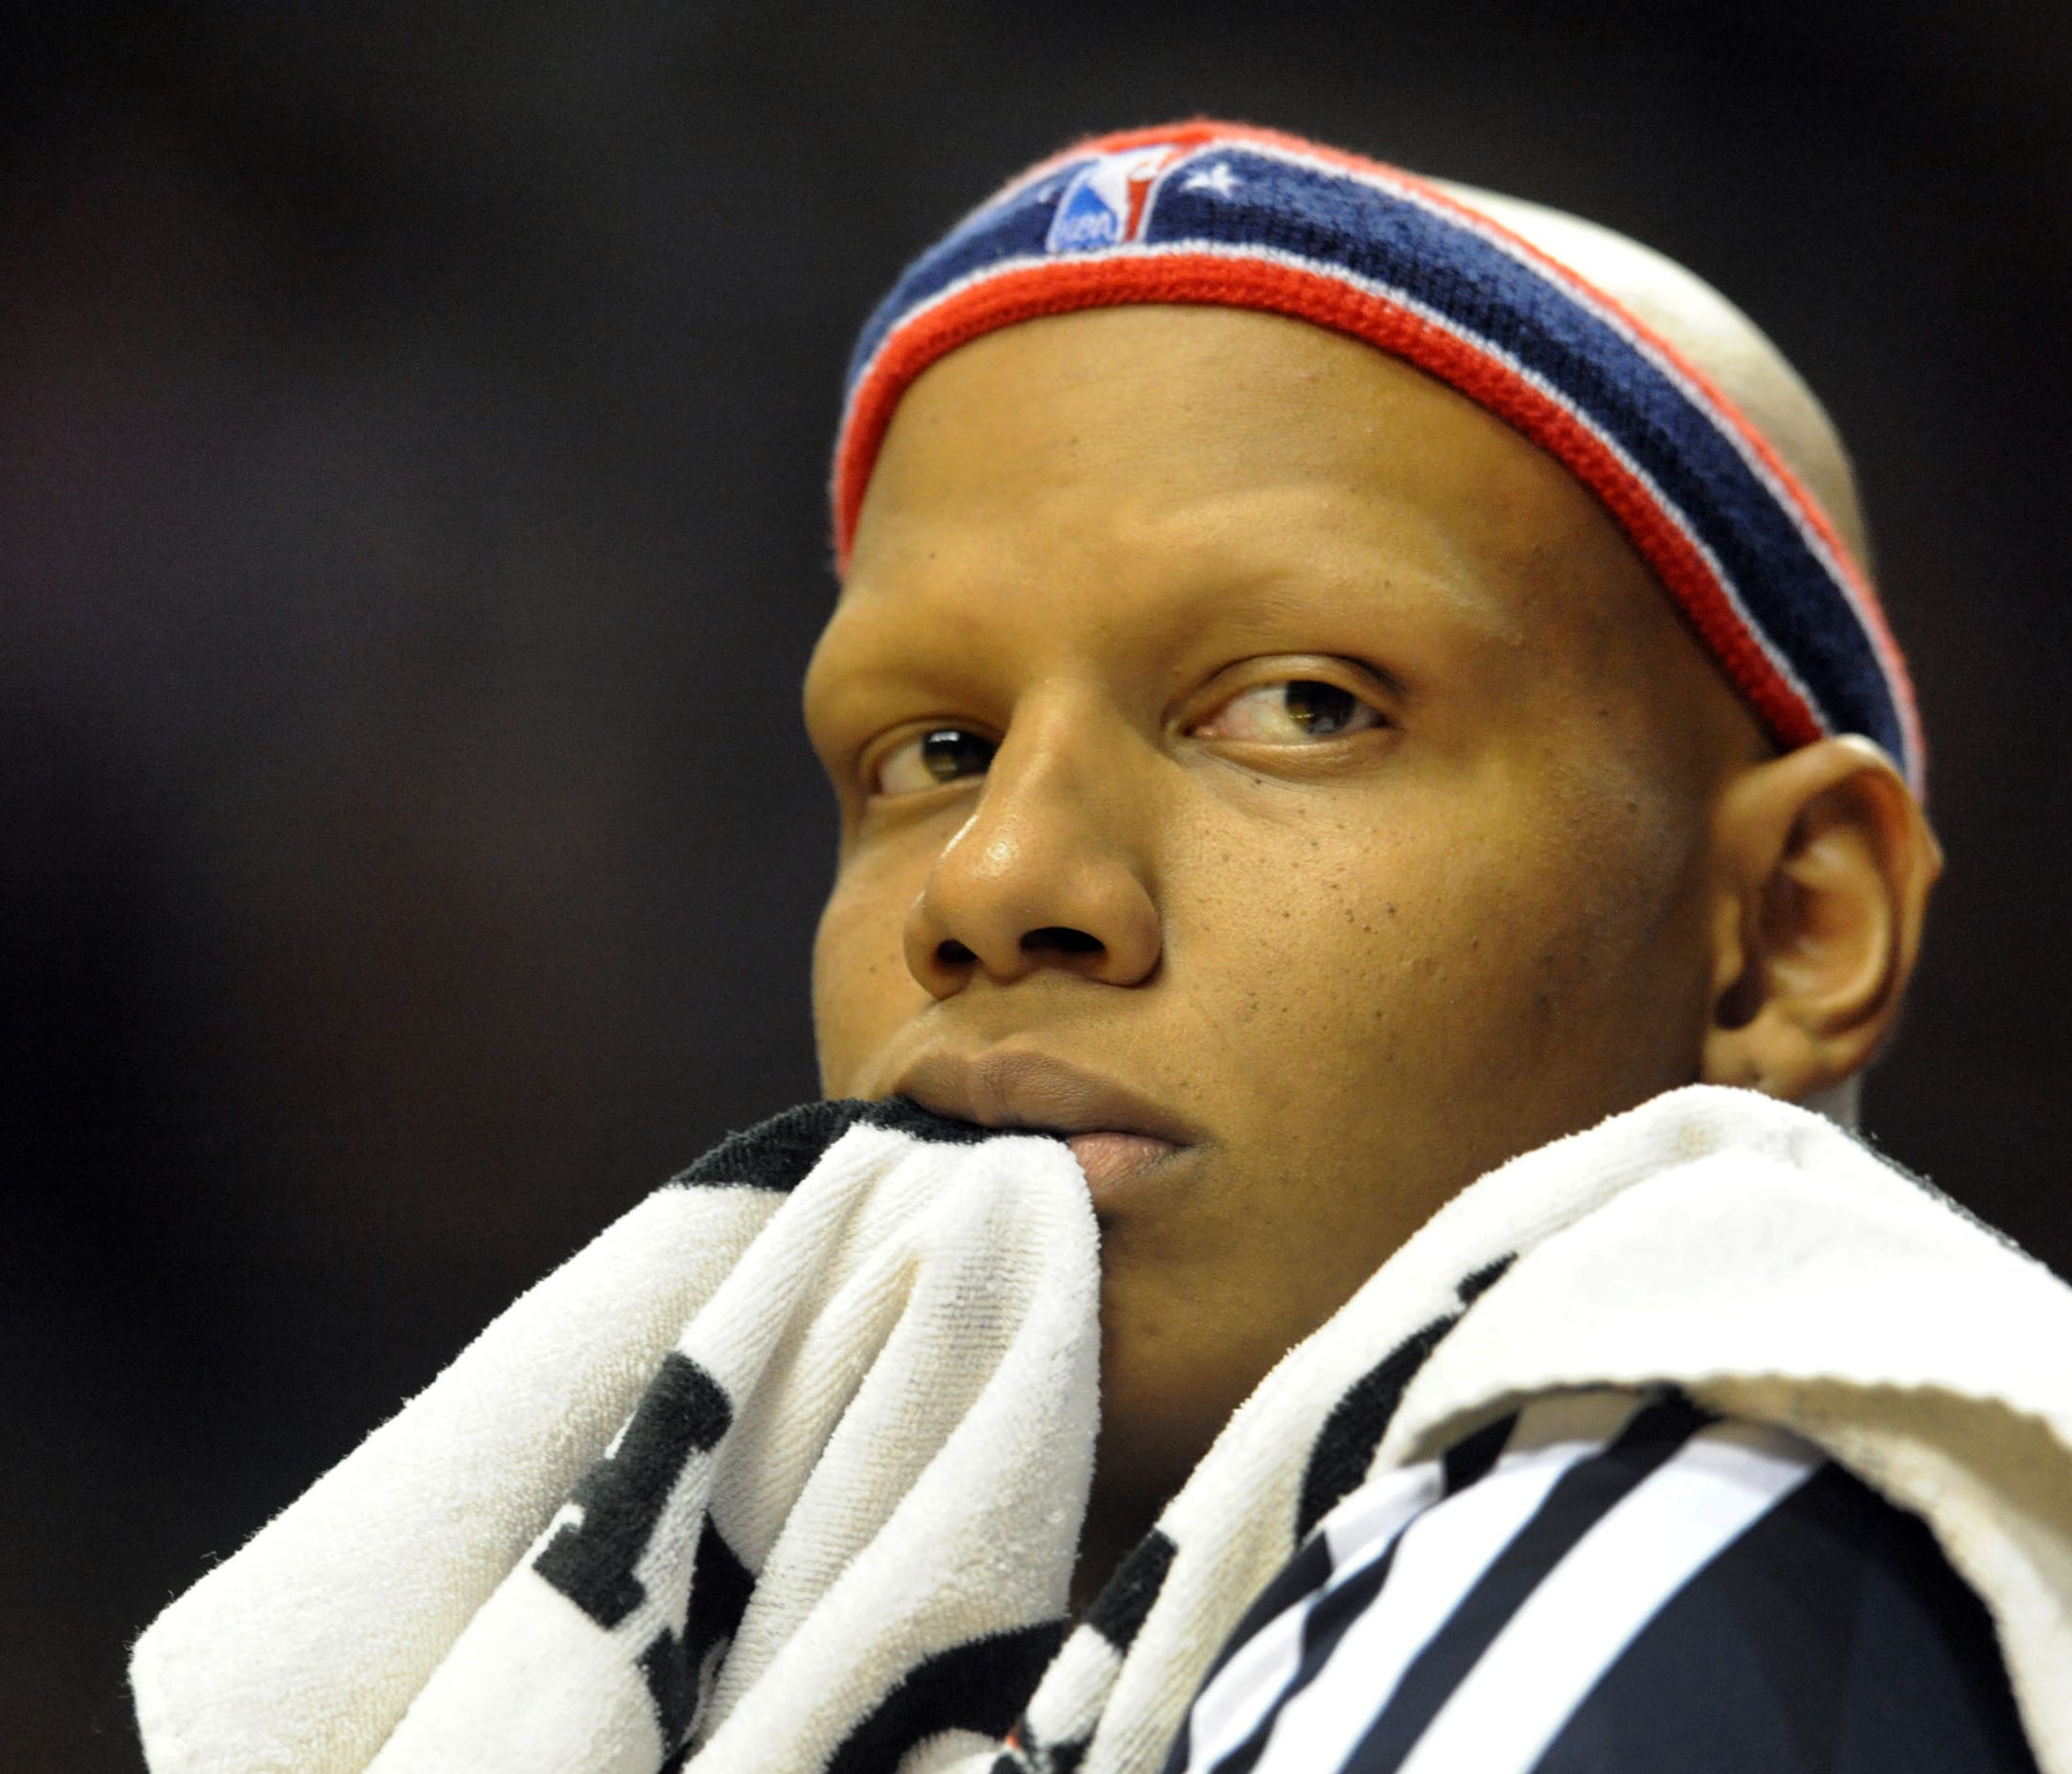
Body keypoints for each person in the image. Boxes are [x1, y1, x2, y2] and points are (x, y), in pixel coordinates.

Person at [131, 122, 2072, 1774]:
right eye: (930, 752)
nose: (990, 880)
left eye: (1300, 702)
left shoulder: (1671, 1543)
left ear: (1784, 925)